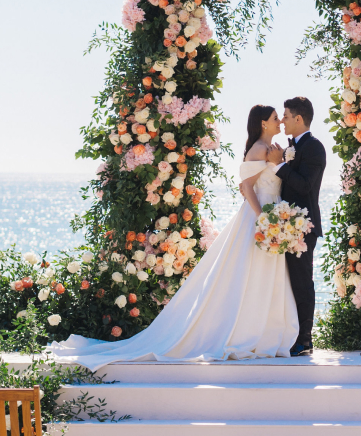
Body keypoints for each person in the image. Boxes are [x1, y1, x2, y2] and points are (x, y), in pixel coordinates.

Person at [50, 104, 299, 371]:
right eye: (275, 119)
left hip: (273, 217)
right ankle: (249, 333)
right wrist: (262, 216)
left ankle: (260, 330)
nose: (279, 122)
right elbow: (247, 188)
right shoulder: (261, 150)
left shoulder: (271, 150)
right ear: (263, 123)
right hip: (260, 218)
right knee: (252, 274)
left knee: (261, 276)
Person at [266, 96, 326, 356]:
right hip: (285, 226)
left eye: (286, 116)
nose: (283, 120)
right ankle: (286, 334)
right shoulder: (290, 146)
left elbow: (305, 186)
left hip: (304, 227)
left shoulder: (314, 148)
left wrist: (279, 164)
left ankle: (305, 339)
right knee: (285, 282)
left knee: (303, 282)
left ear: (299, 119)